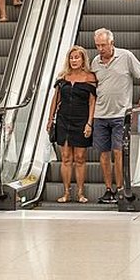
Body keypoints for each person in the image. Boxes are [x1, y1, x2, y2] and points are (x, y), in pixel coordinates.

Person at [91, 28, 140, 203]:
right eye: (97, 45)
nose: (100, 49)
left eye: (103, 45)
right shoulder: (95, 62)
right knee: (103, 154)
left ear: (112, 43)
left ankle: (121, 188)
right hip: (100, 114)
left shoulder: (126, 56)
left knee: (118, 152)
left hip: (121, 114)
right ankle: (108, 189)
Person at [47, 46, 97, 203]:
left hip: (82, 120)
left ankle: (80, 193)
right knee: (66, 157)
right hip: (63, 120)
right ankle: (66, 193)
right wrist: (50, 119)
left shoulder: (90, 77)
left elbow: (92, 102)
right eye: (72, 57)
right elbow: (55, 99)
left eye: (77, 57)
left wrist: (90, 123)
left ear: (83, 60)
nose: (74, 60)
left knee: (80, 158)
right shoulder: (63, 77)